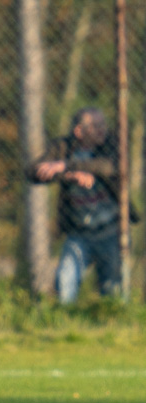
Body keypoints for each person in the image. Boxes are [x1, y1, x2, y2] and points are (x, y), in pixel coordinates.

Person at [27, 107, 133, 302]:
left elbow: (108, 167)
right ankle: (66, 324)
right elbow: (33, 172)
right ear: (79, 131)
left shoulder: (110, 146)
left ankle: (114, 320)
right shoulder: (62, 147)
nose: (102, 130)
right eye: (95, 126)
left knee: (113, 287)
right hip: (79, 234)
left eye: (103, 124)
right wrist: (70, 175)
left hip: (111, 230)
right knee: (65, 279)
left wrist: (68, 165)